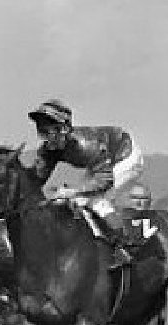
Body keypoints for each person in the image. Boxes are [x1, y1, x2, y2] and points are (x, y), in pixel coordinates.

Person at [28, 99, 143, 268]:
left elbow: (104, 181)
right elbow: (35, 180)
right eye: (41, 130)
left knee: (96, 201)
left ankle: (127, 245)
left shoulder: (87, 146)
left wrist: (71, 191)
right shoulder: (49, 149)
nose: (44, 136)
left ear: (64, 129)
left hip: (125, 155)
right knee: (77, 200)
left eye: (49, 130)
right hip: (102, 162)